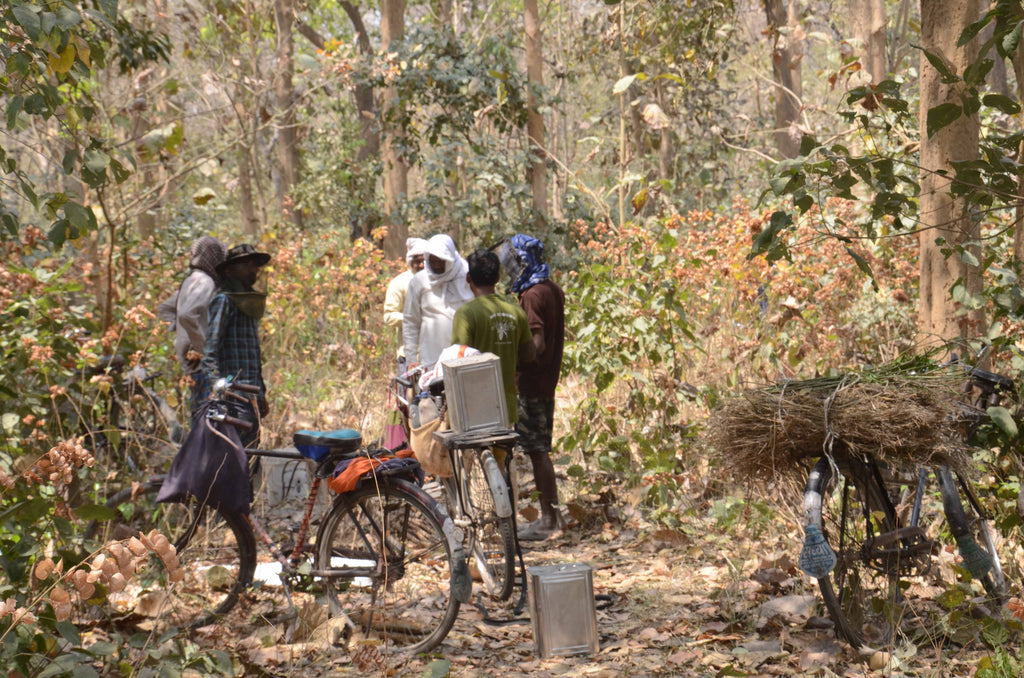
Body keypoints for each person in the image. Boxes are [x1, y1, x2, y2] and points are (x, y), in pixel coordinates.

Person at [507, 233, 565, 542]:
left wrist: (510, 354)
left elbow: (537, 344)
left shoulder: (532, 295)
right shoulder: (551, 288)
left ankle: (548, 520)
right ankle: (553, 516)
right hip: (544, 382)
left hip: (531, 384)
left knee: (537, 452)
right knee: (540, 450)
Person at [450, 249, 535, 426]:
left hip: (473, 408)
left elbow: (457, 360)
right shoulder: (516, 312)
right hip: (506, 406)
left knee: (477, 454)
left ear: (468, 278)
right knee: (501, 453)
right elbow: (529, 355)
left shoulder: (466, 314)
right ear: (497, 278)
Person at [201, 244, 272, 447]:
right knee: (233, 453)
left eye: (255, 266)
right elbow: (210, 351)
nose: (253, 270)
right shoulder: (224, 301)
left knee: (252, 453)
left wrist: (262, 393)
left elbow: (254, 355)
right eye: (247, 265)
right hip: (233, 395)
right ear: (229, 270)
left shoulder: (249, 303)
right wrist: (218, 386)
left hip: (252, 394)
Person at [156, 236, 228, 417]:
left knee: (199, 409)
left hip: (191, 359)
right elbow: (187, 314)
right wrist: (202, 347)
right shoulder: (206, 282)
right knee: (208, 413)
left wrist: (180, 331)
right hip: (199, 360)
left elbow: (165, 308)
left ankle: (198, 445)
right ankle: (201, 446)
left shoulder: (191, 279)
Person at [403, 234, 473, 369]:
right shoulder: (419, 281)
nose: (436, 265)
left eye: (441, 261)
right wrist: (411, 360)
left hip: (465, 357)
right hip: (430, 360)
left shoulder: (466, 275)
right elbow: (410, 322)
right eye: (432, 261)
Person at [383, 237, 427, 373]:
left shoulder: (436, 281)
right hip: (409, 355)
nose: (422, 265)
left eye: (425, 261)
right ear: (410, 262)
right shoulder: (399, 283)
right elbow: (389, 316)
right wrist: (412, 318)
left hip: (434, 352)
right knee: (410, 392)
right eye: (418, 261)